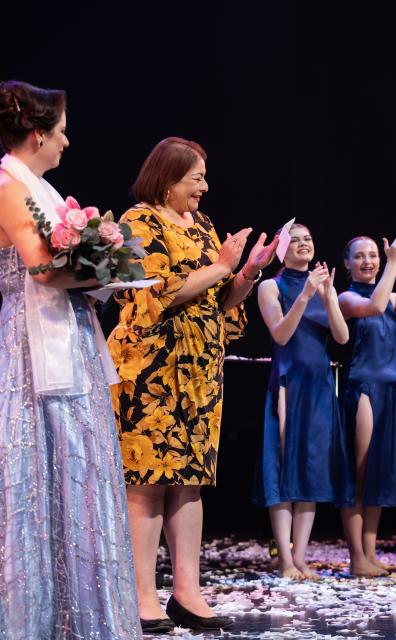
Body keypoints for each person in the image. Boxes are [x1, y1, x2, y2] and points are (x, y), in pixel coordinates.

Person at [109, 137, 277, 632]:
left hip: (202, 367)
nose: (205, 187)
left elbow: (221, 304)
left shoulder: (202, 225)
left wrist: (246, 271)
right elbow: (155, 296)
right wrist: (223, 266)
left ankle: (188, 592)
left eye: (204, 177)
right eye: (196, 177)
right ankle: (143, 597)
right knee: (147, 484)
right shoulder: (137, 221)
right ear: (168, 178)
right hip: (152, 366)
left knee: (189, 482)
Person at [0, 80, 141, 639]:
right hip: (35, 340)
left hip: (69, 328)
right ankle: (41, 617)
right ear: (37, 134)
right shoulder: (10, 184)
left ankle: (79, 615)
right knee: (44, 462)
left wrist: (106, 269)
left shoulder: (41, 187)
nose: (67, 141)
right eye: (61, 131)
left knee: (78, 460)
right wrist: (112, 271)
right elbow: (41, 270)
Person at [253, 223, 349, 579]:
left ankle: (302, 557)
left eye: (307, 238)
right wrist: (306, 296)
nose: (303, 244)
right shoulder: (270, 286)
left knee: (311, 469)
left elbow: (341, 336)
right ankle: (285, 560)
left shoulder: (323, 285)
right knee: (282, 467)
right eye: (294, 241)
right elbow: (280, 333)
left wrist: (327, 296)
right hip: (288, 384)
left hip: (320, 385)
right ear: (282, 250)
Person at [337, 234, 396, 577]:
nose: (368, 261)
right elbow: (374, 307)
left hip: (391, 389)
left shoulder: (393, 293)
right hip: (363, 388)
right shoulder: (346, 297)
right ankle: (356, 557)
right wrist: (393, 265)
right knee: (361, 473)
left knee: (380, 474)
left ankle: (369, 554)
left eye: (373, 255)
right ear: (347, 264)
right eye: (360, 256)